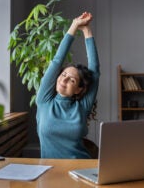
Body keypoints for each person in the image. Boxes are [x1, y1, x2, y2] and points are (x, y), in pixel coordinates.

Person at [36, 12, 100, 159]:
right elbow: (57, 60)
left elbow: (95, 72)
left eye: (72, 80)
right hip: (51, 171)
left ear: (79, 89)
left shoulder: (82, 107)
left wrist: (86, 30)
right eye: (63, 75)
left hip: (81, 168)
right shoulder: (44, 100)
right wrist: (74, 25)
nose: (63, 80)